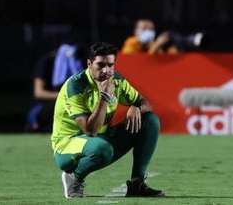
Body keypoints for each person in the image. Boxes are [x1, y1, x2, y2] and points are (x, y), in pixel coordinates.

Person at [51, 42, 164, 198]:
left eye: (110, 65)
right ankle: (73, 178)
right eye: (100, 65)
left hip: (100, 140)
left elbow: (146, 103)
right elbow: (90, 131)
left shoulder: (117, 81)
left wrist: (136, 107)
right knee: (102, 149)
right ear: (89, 64)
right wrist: (104, 97)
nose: (106, 70)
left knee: (150, 121)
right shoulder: (76, 86)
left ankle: (137, 184)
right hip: (68, 146)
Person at [25, 43, 82, 132]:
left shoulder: (78, 64)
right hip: (43, 108)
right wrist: (65, 96)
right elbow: (39, 93)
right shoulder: (46, 62)